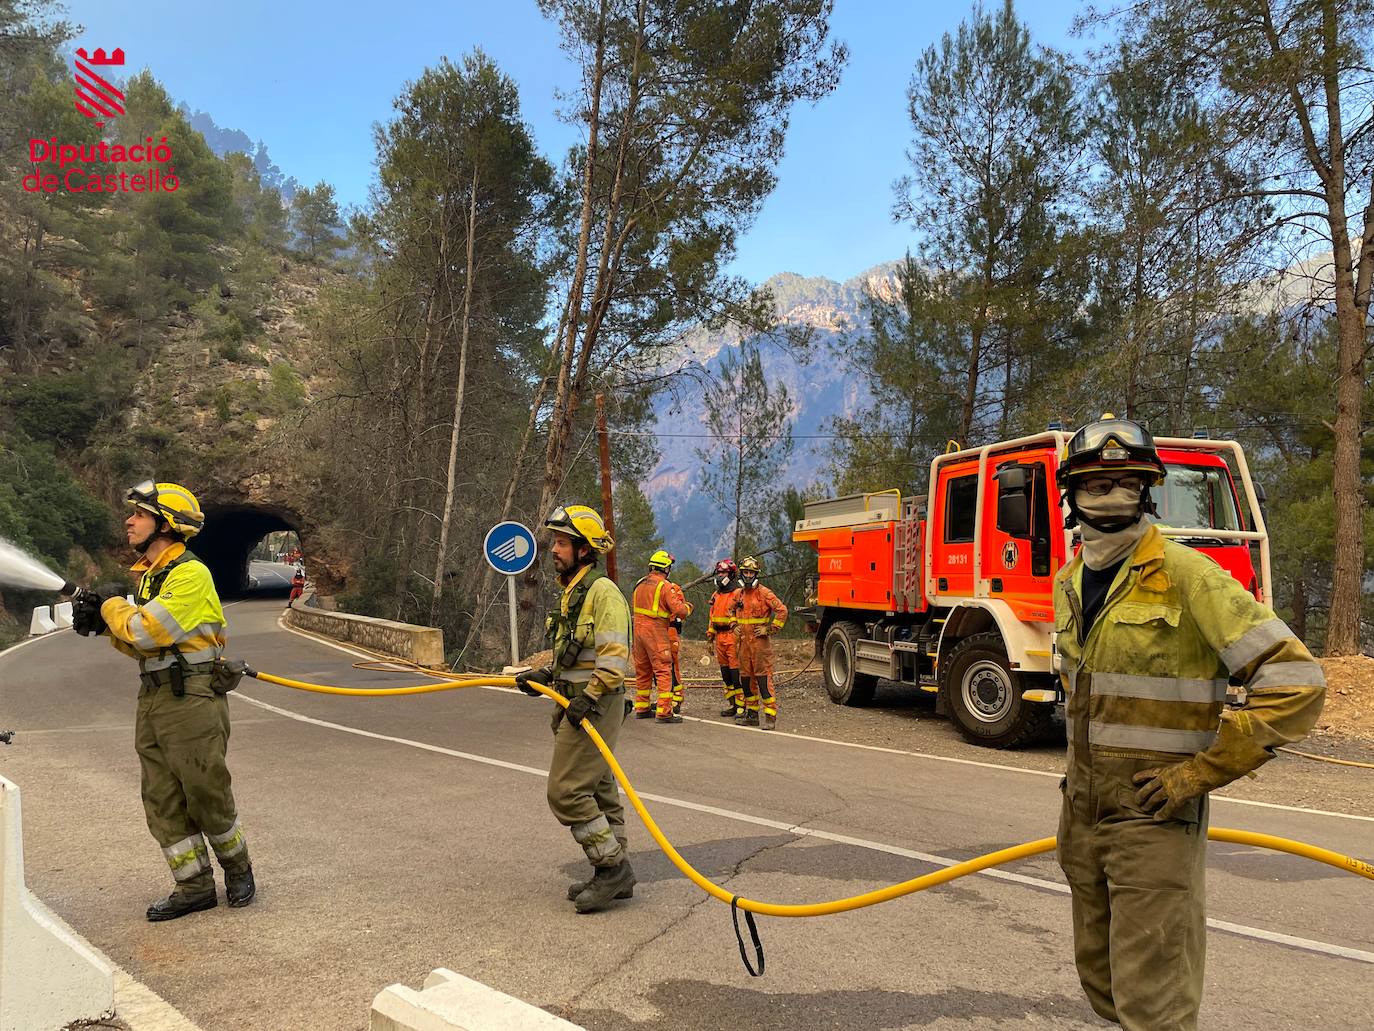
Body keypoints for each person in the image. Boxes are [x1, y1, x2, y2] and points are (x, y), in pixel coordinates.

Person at [1052, 416, 1325, 1031]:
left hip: (1153, 817)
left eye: (1126, 481)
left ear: (1147, 490)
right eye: (1096, 483)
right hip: (1083, 814)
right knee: (1104, 986)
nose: (1110, 494)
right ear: (1072, 494)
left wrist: (1202, 771)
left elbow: (1297, 683)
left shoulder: (1189, 577)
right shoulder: (1069, 583)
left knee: (1156, 1006)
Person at [72, 480, 256, 921]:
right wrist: (103, 628)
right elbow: (143, 647)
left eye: (138, 514)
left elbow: (145, 630)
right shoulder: (154, 578)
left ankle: (238, 869)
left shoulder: (190, 575)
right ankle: (193, 887)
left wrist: (111, 608)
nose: (129, 521)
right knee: (161, 798)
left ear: (166, 524)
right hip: (153, 697)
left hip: (191, 697)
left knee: (204, 789)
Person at [514, 504, 635, 913]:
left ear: (585, 550)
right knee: (599, 790)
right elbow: (574, 653)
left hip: (594, 705)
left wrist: (590, 696)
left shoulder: (604, 593)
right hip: (577, 702)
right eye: (556, 542)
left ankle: (611, 868)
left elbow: (615, 658)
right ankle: (618, 874)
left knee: (566, 792)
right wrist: (545, 676)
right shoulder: (573, 592)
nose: (554, 549)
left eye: (563, 543)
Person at [629, 549, 692, 724]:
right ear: (665, 568)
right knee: (663, 669)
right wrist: (688, 607)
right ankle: (664, 711)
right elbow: (679, 611)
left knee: (643, 671)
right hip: (655, 631)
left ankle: (642, 707)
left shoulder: (639, 584)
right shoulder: (665, 586)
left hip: (638, 632)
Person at [730, 556, 787, 730]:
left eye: (751, 573)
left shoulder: (764, 593)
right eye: (745, 572)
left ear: (756, 575)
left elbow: (782, 611)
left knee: (763, 681)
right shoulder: (738, 594)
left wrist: (769, 629)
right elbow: (730, 610)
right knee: (746, 681)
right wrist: (734, 625)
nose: (748, 576)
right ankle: (752, 715)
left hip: (760, 645)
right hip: (743, 645)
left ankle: (770, 716)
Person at [706, 559, 745, 718]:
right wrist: (710, 638)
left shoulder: (738, 593)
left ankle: (742, 706)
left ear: (730, 574)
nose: (720, 576)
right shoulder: (716, 594)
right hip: (720, 637)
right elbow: (712, 617)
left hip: (732, 636)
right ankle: (733, 705)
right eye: (719, 573)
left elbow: (743, 615)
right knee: (726, 674)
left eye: (723, 573)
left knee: (736, 675)